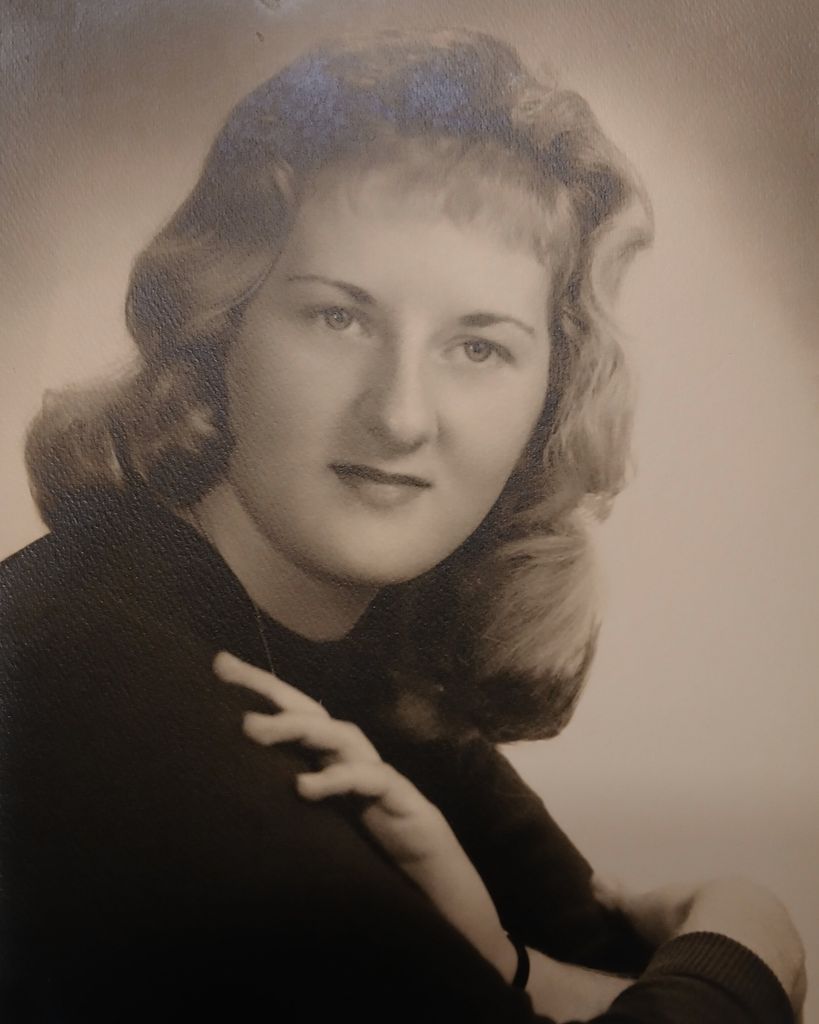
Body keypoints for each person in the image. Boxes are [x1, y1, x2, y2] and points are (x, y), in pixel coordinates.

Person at [0, 28, 803, 1024]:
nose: (400, 415)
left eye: (478, 346)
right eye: (338, 318)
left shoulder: (362, 662)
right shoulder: (94, 681)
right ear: (220, 328)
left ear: (550, 397)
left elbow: (612, 984)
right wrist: (752, 937)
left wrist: (511, 967)